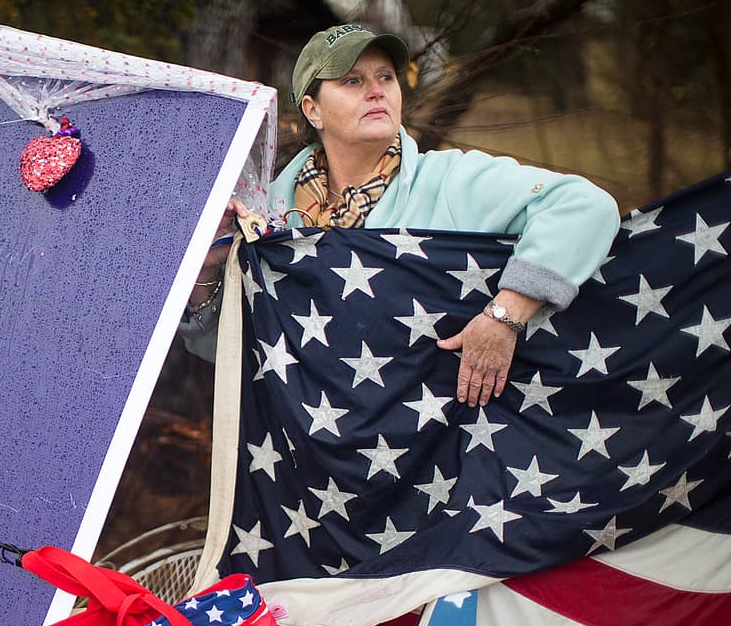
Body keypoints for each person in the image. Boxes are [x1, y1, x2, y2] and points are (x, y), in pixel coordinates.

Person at [180, 23, 620, 407]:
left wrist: (504, 316)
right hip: (314, 452)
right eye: (352, 81)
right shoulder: (266, 215)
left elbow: (585, 207)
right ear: (313, 110)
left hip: (423, 452)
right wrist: (206, 272)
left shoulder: (450, 181)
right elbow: (227, 350)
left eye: (386, 77)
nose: (376, 91)